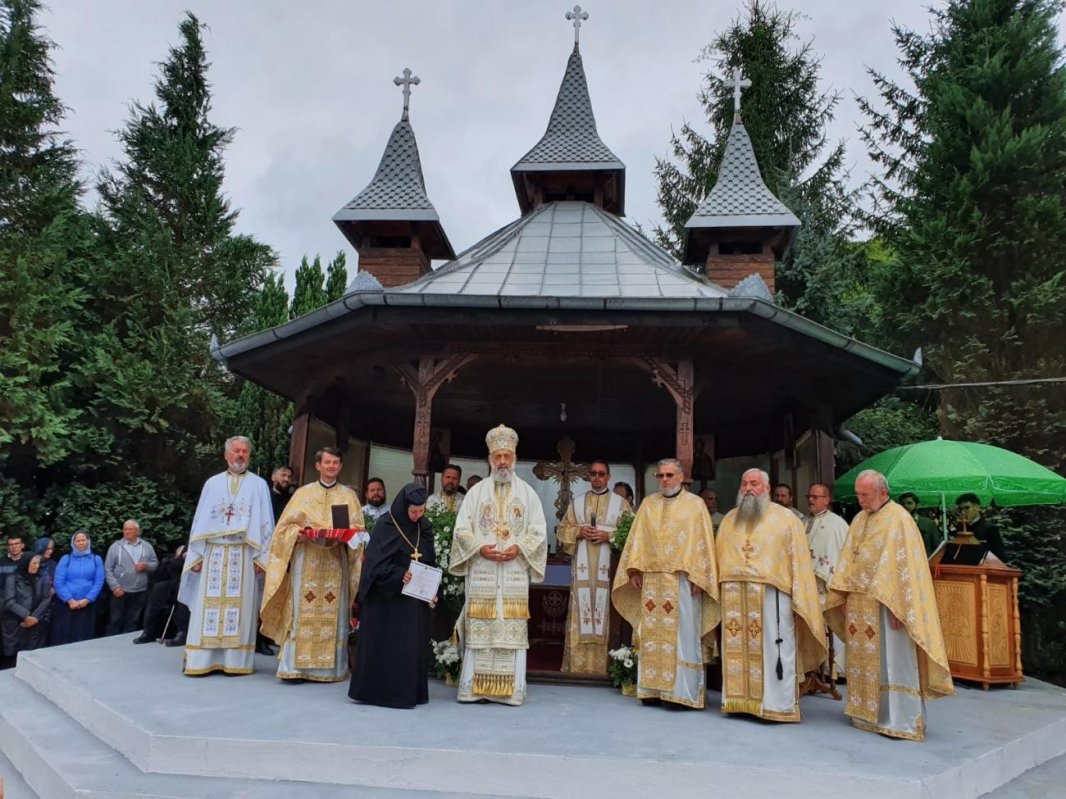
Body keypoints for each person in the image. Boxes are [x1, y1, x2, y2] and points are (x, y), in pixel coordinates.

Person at [826, 470, 953, 741]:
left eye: (865, 494)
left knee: (893, 659)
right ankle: (866, 714)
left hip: (889, 605)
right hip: (860, 605)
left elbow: (907, 569)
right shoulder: (859, 520)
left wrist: (901, 607)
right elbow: (849, 561)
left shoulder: (900, 520)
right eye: (858, 494)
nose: (860, 500)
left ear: (883, 493)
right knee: (863, 661)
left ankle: (899, 719)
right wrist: (845, 597)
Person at [716, 469, 826, 722]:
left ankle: (777, 705)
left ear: (766, 487)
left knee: (773, 648)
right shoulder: (730, 519)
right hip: (735, 595)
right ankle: (739, 701)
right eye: (744, 484)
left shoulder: (786, 519)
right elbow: (719, 556)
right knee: (737, 647)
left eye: (754, 483)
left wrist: (800, 600)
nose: (748, 488)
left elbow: (798, 563)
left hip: (772, 597)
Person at [449, 424, 547, 705]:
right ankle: (474, 689)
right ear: (490, 459)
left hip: (514, 571)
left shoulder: (528, 494)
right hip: (483, 569)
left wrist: (520, 547)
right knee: (481, 627)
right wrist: (481, 547)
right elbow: (462, 530)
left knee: (510, 629)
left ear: (514, 458)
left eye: (507, 456)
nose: (502, 461)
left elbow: (538, 531)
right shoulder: (476, 493)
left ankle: (511, 692)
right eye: (498, 457)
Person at [612, 458, 719, 709]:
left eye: (669, 475)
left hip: (682, 580)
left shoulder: (695, 506)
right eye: (660, 476)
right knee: (650, 635)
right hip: (652, 581)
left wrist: (701, 579)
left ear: (681, 478)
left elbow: (703, 544)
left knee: (683, 634)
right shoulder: (648, 504)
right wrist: (635, 570)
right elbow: (637, 540)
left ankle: (681, 693)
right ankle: (651, 690)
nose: (664, 480)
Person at [261, 447, 365, 682]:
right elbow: (283, 530)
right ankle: (295, 668)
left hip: (335, 561)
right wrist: (300, 534)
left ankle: (330, 669)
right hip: (306, 559)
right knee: (300, 609)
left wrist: (346, 536)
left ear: (340, 466)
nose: (331, 466)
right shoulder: (303, 494)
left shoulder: (348, 496)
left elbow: (359, 531)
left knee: (333, 610)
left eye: (335, 463)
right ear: (318, 465)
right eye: (327, 462)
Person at [178, 435, 274, 676]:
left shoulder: (259, 485)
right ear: (226, 455)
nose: (240, 455)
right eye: (236, 451)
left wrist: (262, 558)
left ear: (249, 455)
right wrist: (197, 556)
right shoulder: (212, 483)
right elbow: (199, 521)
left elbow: (265, 523)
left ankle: (235, 661)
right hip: (213, 554)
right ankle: (201, 661)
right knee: (206, 605)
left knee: (240, 609)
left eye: (244, 451)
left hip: (243, 555)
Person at [349, 483, 438, 708]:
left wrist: (432, 590)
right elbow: (374, 567)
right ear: (403, 507)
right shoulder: (386, 525)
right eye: (414, 511)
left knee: (410, 647)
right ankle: (380, 693)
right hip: (386, 602)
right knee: (388, 646)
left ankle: (409, 693)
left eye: (421, 510)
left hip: (413, 600)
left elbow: (429, 563)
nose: (418, 515)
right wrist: (399, 574)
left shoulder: (423, 527)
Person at [556, 460, 632, 676]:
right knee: (581, 613)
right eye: (593, 474)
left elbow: (633, 535)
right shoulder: (577, 503)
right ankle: (576, 667)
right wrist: (578, 532)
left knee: (606, 613)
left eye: (601, 474)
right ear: (588, 476)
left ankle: (606, 667)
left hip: (609, 571)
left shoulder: (621, 504)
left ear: (608, 477)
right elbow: (563, 531)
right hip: (581, 571)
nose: (597, 477)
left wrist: (609, 536)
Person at [804, 483, 849, 675]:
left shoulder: (837, 524)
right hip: (806, 587)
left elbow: (840, 554)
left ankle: (833, 670)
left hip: (826, 587)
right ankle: (811, 668)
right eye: (809, 496)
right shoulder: (802, 522)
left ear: (826, 499)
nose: (811, 500)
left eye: (815, 497)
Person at [104, 519, 159, 635]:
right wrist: (114, 587)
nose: (127, 531)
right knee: (115, 620)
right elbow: (107, 569)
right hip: (120, 590)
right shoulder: (115, 547)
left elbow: (155, 564)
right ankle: (110, 645)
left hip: (140, 591)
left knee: (133, 620)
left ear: (138, 531)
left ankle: (127, 646)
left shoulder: (147, 546)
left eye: (130, 529)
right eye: (125, 529)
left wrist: (146, 566)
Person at [51, 531, 105, 646]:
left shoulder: (96, 559)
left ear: (88, 542)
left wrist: (88, 599)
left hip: (87, 604)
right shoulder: (66, 559)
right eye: (78, 540)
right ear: (73, 543)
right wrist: (70, 599)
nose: (81, 543)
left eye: (83, 540)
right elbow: (58, 581)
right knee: (65, 635)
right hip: (67, 604)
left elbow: (98, 581)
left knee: (84, 636)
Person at [2, 555, 52, 667]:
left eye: (38, 563)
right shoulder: (13, 578)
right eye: (34, 563)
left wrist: (34, 618)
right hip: (15, 623)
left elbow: (46, 598)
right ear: (26, 563)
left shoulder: (41, 578)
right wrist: (26, 616)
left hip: (35, 622)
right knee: (13, 658)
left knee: (32, 658)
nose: (37, 566)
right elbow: (9, 601)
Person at [133, 546, 188, 645]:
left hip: (193, 583)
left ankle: (182, 633)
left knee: (182, 594)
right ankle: (149, 631)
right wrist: (178, 557)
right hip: (177, 580)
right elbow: (172, 566)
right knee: (158, 589)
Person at [955, 493, 1008, 562]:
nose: (963, 512)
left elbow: (999, 555)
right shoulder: (960, 528)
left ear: (977, 507)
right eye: (960, 509)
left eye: (967, 508)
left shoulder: (989, 528)